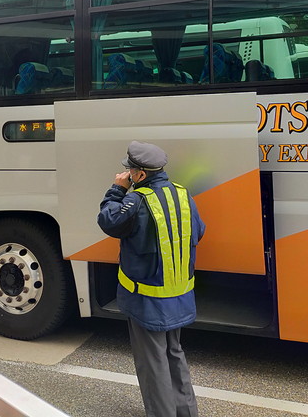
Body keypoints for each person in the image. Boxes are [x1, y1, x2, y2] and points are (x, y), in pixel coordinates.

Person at [97, 140, 206, 417]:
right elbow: (199, 231)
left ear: (141, 174)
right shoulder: (183, 194)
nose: (128, 175)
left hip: (147, 298)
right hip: (179, 295)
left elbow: (108, 221)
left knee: (153, 362)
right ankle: (186, 413)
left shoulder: (137, 199)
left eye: (130, 172)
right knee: (174, 353)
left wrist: (117, 189)